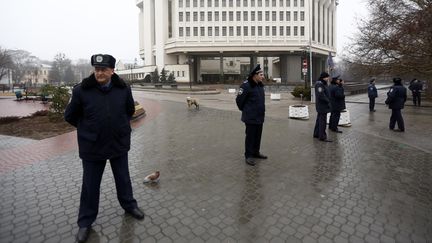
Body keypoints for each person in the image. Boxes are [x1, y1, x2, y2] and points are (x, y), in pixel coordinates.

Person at [65, 54, 144, 243]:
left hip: (118, 143)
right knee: (90, 186)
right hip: (93, 146)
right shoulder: (81, 91)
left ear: (112, 70)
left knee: (123, 179)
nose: (99, 73)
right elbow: (70, 116)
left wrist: (121, 127)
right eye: (96, 69)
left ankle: (129, 206)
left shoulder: (123, 88)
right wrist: (88, 129)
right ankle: (85, 222)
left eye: (103, 69)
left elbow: (130, 111)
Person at [236, 64, 267, 166]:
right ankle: (248, 155)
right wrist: (246, 110)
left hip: (259, 117)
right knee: (250, 137)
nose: (263, 76)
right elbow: (239, 101)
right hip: (250, 117)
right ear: (255, 75)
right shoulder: (246, 85)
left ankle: (255, 152)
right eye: (261, 74)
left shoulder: (259, 85)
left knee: (258, 136)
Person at [313, 72, 332, 142]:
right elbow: (320, 95)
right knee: (322, 121)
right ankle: (322, 136)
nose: (328, 78)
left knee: (319, 120)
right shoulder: (319, 84)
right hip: (322, 105)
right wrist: (327, 101)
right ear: (324, 77)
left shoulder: (322, 84)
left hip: (322, 105)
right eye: (327, 77)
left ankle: (316, 134)